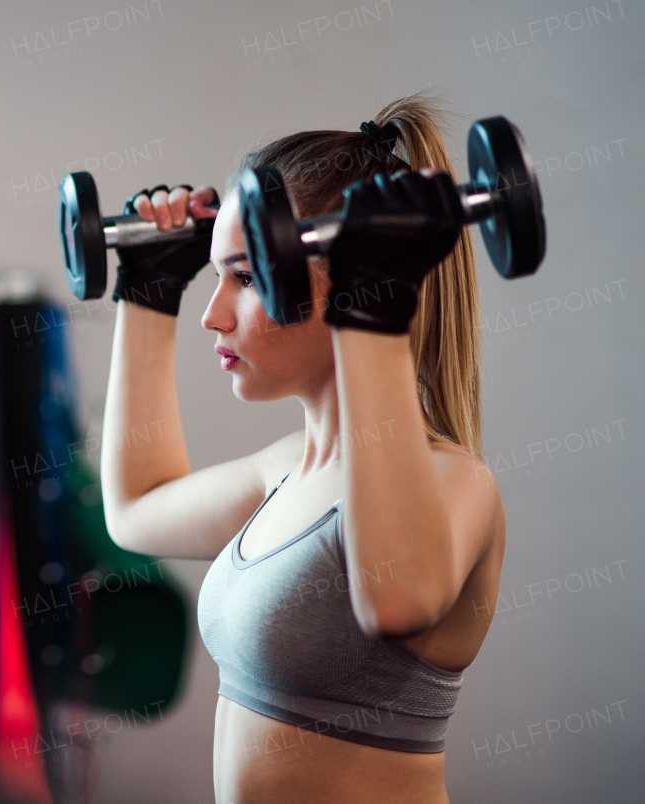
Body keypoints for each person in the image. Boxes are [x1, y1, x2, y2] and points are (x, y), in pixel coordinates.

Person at [99, 94, 504, 804]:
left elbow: (396, 601)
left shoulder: (456, 484)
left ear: (348, 280)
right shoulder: (287, 469)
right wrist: (148, 292)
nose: (212, 312)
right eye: (217, 274)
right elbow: (136, 511)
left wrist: (373, 310)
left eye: (248, 278)